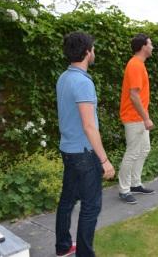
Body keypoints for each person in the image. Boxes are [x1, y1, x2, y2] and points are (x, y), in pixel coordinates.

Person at [55, 32, 115, 257]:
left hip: (68, 151)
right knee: (91, 207)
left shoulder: (64, 77)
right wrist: (105, 160)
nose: (94, 52)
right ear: (87, 52)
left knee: (67, 201)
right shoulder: (82, 82)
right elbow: (90, 127)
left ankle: (62, 247)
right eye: (93, 49)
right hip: (83, 154)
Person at [118, 33, 155, 204]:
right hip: (134, 118)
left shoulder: (139, 64)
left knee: (144, 149)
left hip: (139, 117)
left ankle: (135, 183)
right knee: (132, 153)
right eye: (150, 44)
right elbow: (134, 96)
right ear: (143, 47)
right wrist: (146, 118)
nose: (152, 46)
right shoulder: (134, 65)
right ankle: (124, 190)